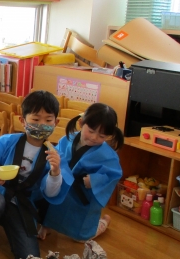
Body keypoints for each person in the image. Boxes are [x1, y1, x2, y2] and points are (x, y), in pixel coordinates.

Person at [0, 90, 73, 259]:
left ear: (56, 123)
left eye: (48, 120)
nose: (41, 125)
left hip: (21, 205)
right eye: (36, 119)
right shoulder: (7, 142)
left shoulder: (55, 156)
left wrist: (55, 172)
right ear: (22, 120)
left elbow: (51, 194)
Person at [41, 102, 123, 242]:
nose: (94, 137)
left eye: (102, 136)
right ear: (81, 123)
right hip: (64, 185)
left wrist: (94, 180)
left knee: (82, 236)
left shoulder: (108, 155)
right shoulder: (67, 139)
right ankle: (47, 225)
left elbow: (112, 175)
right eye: (91, 131)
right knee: (54, 208)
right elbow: (56, 156)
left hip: (84, 192)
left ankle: (103, 223)